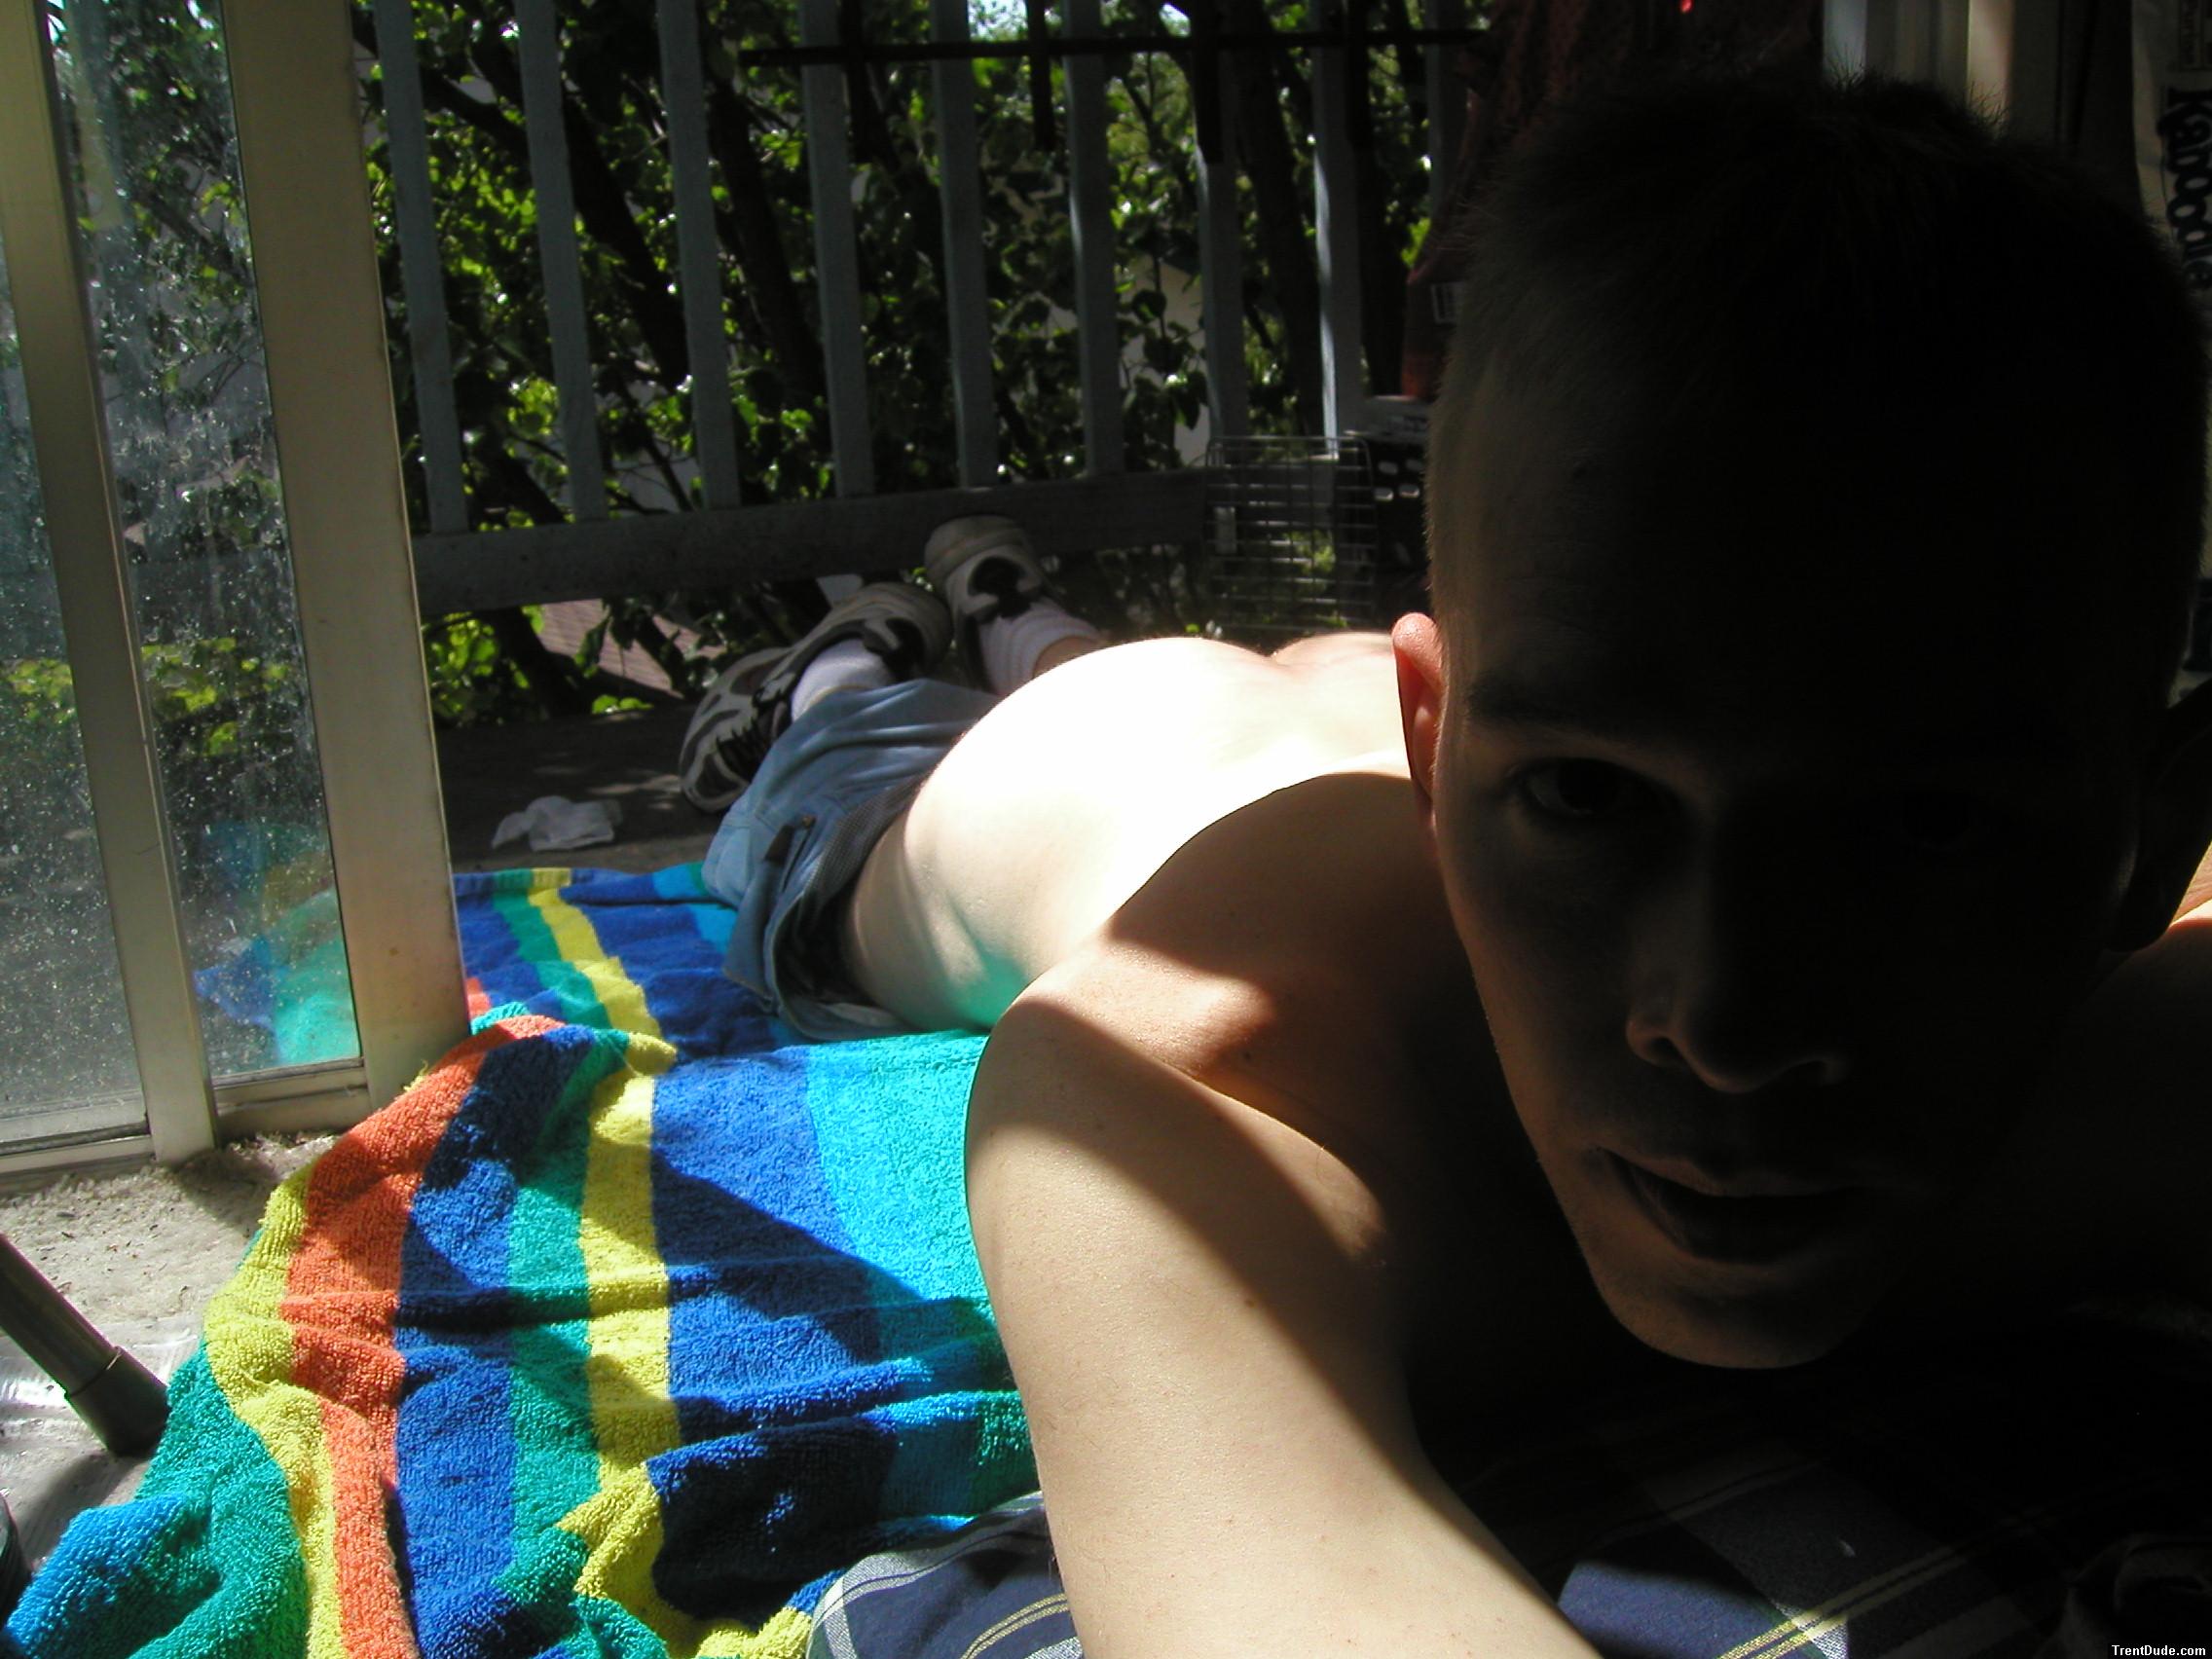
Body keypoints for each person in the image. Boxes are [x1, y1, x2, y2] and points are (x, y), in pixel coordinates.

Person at [692, 72, 2212, 1656]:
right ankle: (862, 659)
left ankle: (1016, 609)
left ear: (2149, 828)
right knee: (834, 796)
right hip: (1044, 778)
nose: (1729, 1023)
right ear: (1443, 761)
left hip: (1365, 701)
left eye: (1931, 826)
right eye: (1589, 794)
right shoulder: (1195, 1085)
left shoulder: (2165, 1054)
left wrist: (1559, 773)